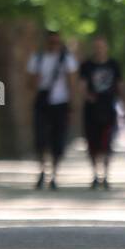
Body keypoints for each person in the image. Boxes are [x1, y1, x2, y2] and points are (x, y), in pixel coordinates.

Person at [27, 29, 78, 189]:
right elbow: (29, 83)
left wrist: (71, 105)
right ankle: (42, 170)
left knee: (58, 139)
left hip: (61, 104)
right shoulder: (37, 58)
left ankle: (54, 174)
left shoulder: (67, 59)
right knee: (40, 138)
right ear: (46, 43)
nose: (54, 45)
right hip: (42, 102)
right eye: (51, 42)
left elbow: (71, 83)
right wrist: (36, 81)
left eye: (57, 42)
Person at [79, 36, 125, 189]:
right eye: (96, 46)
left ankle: (105, 174)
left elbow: (120, 85)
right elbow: (81, 85)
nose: (99, 49)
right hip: (91, 109)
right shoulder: (86, 65)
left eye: (101, 46)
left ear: (106, 48)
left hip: (109, 107)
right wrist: (87, 96)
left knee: (107, 142)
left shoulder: (114, 65)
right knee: (92, 142)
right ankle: (94, 173)